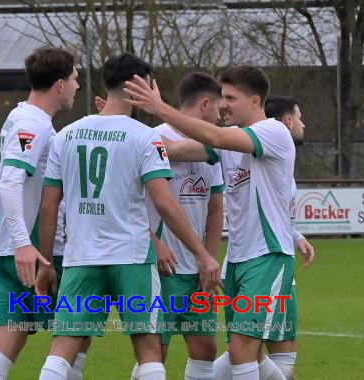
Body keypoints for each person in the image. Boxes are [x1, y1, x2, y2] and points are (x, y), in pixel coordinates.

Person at [37, 53, 220, 380]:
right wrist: (202, 253)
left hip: (82, 257)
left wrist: (47, 262)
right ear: (141, 85)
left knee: (63, 346)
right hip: (132, 258)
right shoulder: (145, 136)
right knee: (149, 350)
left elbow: (50, 206)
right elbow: (165, 203)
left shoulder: (65, 136)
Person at [123, 65, 301, 380]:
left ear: (255, 101)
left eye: (231, 98)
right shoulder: (227, 143)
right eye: (222, 97)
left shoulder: (273, 132)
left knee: (242, 350)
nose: (223, 105)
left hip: (268, 255)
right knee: (248, 352)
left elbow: (215, 136)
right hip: (238, 260)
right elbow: (174, 148)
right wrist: (120, 133)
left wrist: (159, 107)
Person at [0, 47, 79, 380]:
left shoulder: (20, 116)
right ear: (60, 84)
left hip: (3, 250)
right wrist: (23, 243)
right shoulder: (32, 123)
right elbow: (10, 181)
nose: (77, 85)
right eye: (75, 78)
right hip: (30, 252)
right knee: (76, 334)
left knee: (8, 341)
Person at [214, 95, 315, 380]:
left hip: (271, 264)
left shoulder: (276, 157)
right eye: (299, 117)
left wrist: (294, 235)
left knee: (262, 354)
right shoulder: (258, 147)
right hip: (251, 260)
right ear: (287, 120)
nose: (303, 124)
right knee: (248, 352)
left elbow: (275, 212)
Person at [135, 73, 225, 380]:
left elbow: (215, 211)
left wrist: (208, 260)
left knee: (205, 349)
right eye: (219, 107)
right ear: (205, 104)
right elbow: (126, 203)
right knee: (155, 353)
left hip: (197, 268)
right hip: (161, 268)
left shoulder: (215, 145)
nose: (221, 114)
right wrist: (153, 242)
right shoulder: (149, 137)